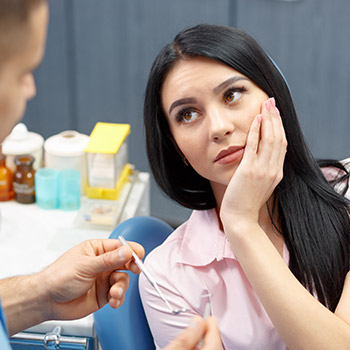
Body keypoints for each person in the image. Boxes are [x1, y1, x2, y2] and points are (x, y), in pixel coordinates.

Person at [0, 1, 220, 348]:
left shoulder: (338, 199)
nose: (30, 90)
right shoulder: (171, 276)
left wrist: (38, 295)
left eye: (234, 94)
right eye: (21, 71)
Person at [139, 23, 350, 349]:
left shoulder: (346, 198)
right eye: (188, 114)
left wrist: (241, 222)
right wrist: (241, 222)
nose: (219, 127)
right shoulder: (167, 277)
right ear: (176, 147)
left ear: (273, 97)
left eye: (232, 94)